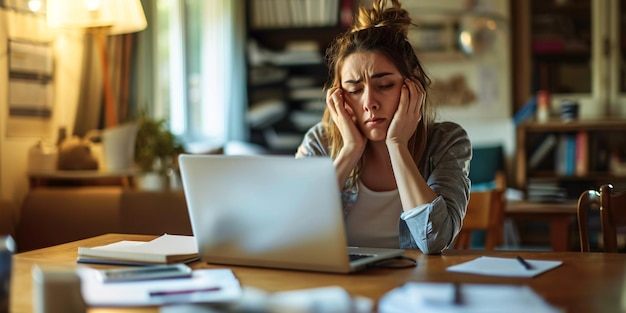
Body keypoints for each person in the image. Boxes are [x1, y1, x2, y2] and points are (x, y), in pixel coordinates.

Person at [295, 0, 471, 254]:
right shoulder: (319, 143)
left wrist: (397, 145)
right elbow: (296, 231)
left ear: (413, 85)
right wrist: (350, 151)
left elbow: (434, 240)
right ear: (340, 97)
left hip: (415, 287)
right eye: (354, 90)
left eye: (385, 85)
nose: (369, 103)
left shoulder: (447, 141)